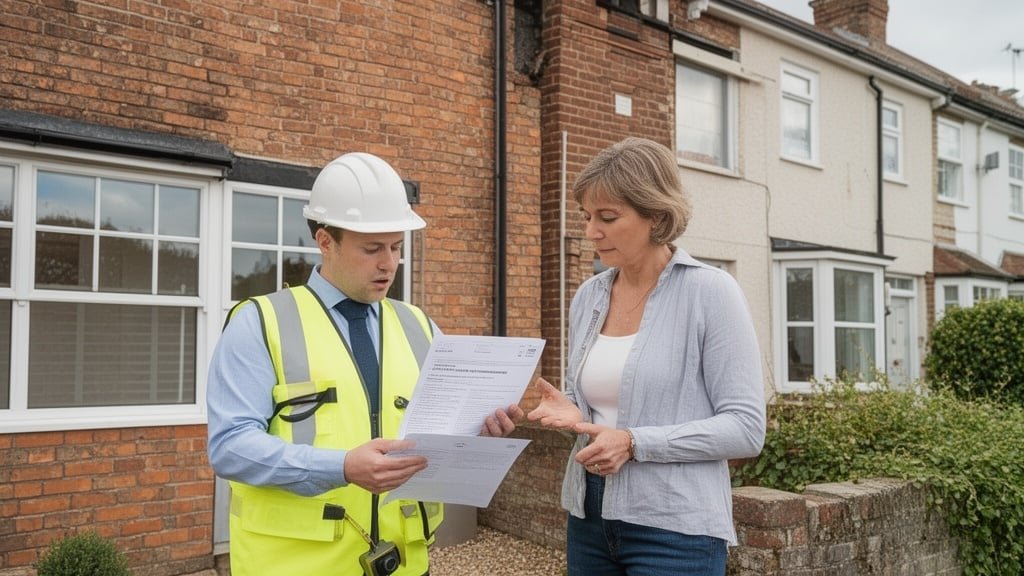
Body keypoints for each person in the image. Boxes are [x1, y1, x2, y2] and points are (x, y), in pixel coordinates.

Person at [207, 152, 523, 576]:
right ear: (325, 241)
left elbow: (439, 432)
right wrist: (342, 468)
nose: (389, 263)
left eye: (396, 247)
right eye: (372, 249)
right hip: (297, 566)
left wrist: (480, 431)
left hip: (405, 564)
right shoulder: (260, 322)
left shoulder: (420, 327)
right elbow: (229, 447)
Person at [527, 137, 766, 576]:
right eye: (587, 216)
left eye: (608, 217)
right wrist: (572, 409)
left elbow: (746, 429)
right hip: (588, 515)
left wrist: (634, 443)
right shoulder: (589, 296)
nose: (591, 231)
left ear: (655, 215)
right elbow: (607, 404)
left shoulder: (711, 292)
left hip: (675, 527)